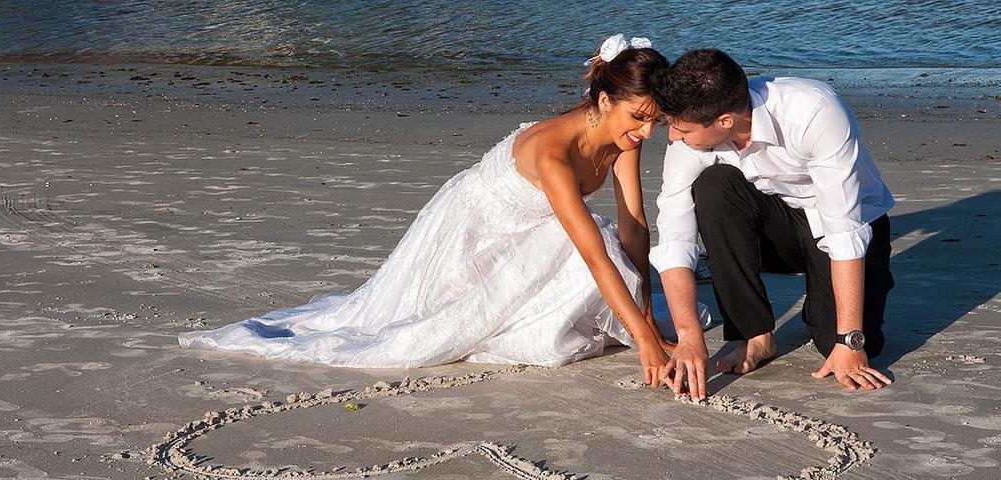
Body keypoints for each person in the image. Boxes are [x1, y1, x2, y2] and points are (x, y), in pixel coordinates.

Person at [180, 34, 709, 385]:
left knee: (612, 245)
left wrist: (648, 319)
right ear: (602, 101)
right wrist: (644, 340)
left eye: (654, 122)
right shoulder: (553, 152)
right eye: (638, 118)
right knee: (580, 252)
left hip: (535, 230)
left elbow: (635, 228)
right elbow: (594, 253)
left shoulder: (626, 138)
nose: (644, 133)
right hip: (470, 230)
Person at [650, 49, 895, 400]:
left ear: (724, 121)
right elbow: (675, 234)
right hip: (778, 225)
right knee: (714, 186)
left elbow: (844, 231)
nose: (673, 137)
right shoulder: (692, 137)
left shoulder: (814, 111)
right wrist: (689, 335)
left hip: (848, 223)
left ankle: (823, 303)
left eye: (681, 128)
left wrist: (849, 339)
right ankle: (755, 335)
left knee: (838, 345)